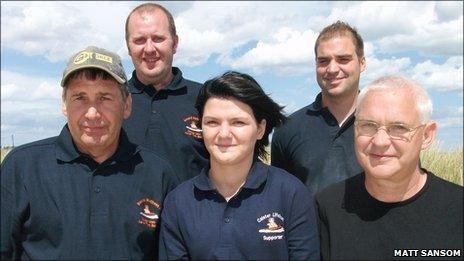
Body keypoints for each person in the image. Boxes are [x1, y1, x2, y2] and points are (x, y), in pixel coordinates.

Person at [0, 46, 178, 259]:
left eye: (105, 98)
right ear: (64, 105)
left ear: (127, 105)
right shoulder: (22, 167)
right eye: (80, 98)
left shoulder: (157, 174)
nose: (92, 113)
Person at [159, 71, 320, 260]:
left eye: (238, 122)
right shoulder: (178, 203)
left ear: (260, 129)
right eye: (212, 122)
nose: (224, 133)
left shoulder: (292, 194)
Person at [316, 76, 463, 260]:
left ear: (426, 135)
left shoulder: (457, 208)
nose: (380, 141)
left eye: (398, 127)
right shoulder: (328, 207)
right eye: (368, 125)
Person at [272, 21, 365, 193]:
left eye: (343, 59)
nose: (332, 69)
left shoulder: (384, 125)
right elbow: (280, 198)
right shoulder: (288, 129)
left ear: (362, 63)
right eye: (323, 61)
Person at [123, 3, 208, 182]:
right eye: (139, 40)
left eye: (158, 38)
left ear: (175, 43)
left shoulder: (206, 99)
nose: (149, 49)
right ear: (129, 48)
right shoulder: (114, 102)